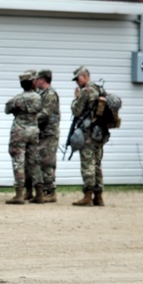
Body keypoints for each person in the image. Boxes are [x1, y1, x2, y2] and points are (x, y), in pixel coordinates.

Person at [70, 66, 108, 206]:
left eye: (77, 79)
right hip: (99, 133)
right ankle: (98, 197)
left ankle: (87, 196)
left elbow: (76, 111)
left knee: (87, 164)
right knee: (97, 164)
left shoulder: (86, 91)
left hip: (87, 133)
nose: (77, 82)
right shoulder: (100, 89)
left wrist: (76, 99)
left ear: (84, 76)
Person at [4, 70, 43, 205]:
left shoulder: (17, 99)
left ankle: (19, 194)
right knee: (34, 161)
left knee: (18, 161)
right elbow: (38, 109)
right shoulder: (38, 97)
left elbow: (7, 109)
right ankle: (39, 193)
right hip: (33, 131)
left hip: (19, 131)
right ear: (32, 83)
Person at [34, 69, 61, 203]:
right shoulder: (42, 94)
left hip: (50, 133)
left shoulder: (50, 95)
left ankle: (50, 191)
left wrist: (31, 119)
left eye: (37, 79)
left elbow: (45, 113)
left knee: (48, 161)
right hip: (43, 133)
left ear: (42, 80)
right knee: (41, 160)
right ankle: (45, 189)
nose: (36, 81)